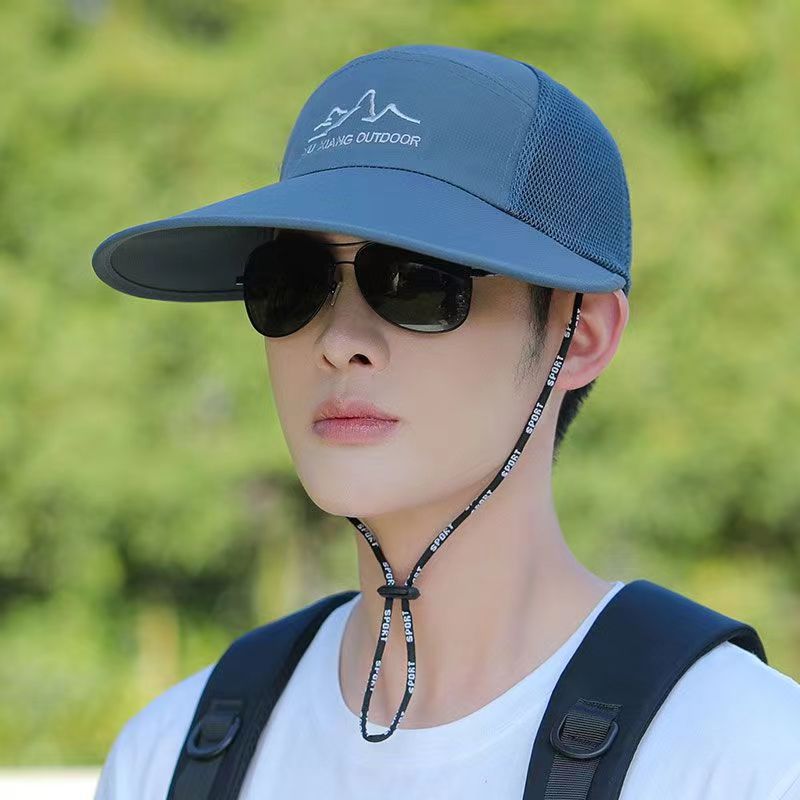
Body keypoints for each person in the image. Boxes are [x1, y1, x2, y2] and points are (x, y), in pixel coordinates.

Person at [92, 44, 800, 799]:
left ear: (581, 334)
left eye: (416, 282)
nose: (339, 342)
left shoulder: (739, 757)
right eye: (291, 284)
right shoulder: (172, 756)